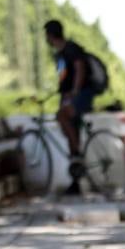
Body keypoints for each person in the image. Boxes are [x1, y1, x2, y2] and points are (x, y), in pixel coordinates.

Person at [44, 20, 95, 184]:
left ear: (50, 35)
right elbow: (63, 75)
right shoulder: (59, 54)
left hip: (80, 95)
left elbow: (80, 68)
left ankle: (78, 153)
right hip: (68, 96)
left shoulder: (71, 49)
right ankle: (76, 176)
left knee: (62, 116)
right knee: (69, 128)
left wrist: (74, 91)